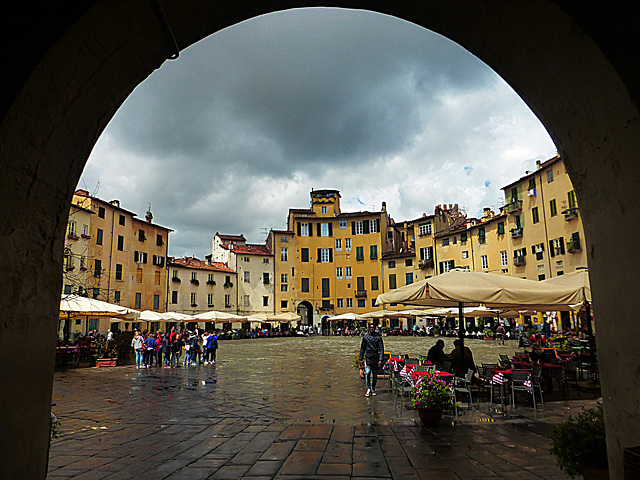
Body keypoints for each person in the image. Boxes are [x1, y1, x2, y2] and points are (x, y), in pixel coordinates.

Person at [359, 323, 385, 397]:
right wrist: (361, 358)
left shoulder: (378, 337)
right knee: (367, 373)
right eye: (370, 327)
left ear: (375, 328)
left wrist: (380, 359)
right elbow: (362, 348)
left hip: (375, 356)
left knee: (374, 374)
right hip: (368, 356)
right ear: (369, 328)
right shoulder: (365, 337)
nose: (372, 329)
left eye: (373, 327)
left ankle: (373, 388)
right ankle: (368, 388)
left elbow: (381, 349)